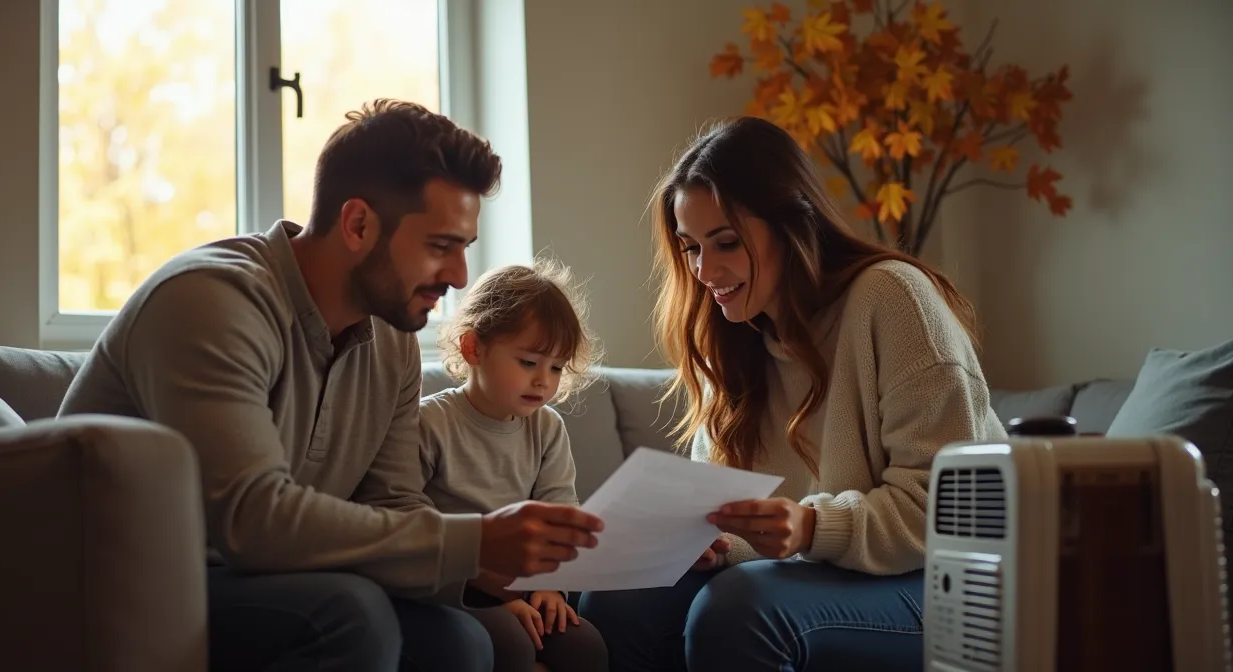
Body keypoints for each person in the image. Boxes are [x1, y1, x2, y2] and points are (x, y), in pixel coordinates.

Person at [57, 99, 605, 672]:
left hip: (272, 577)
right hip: (133, 579)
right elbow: (253, 518)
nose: (460, 277)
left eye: (464, 248)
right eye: (440, 246)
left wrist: (488, 576)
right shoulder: (211, 301)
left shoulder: (394, 341)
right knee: (350, 612)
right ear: (358, 225)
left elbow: (391, 502)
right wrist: (474, 545)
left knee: (461, 640)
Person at [578, 115, 1007, 671]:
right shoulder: (732, 337)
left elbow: (948, 508)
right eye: (690, 249)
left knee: (738, 607)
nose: (705, 270)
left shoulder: (893, 298)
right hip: (827, 572)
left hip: (951, 583)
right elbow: (746, 519)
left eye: (725, 242)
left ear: (790, 225)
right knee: (616, 600)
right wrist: (713, 544)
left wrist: (810, 527)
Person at [419, 260, 610, 672]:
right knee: (511, 644)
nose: (544, 380)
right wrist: (500, 598)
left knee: (584, 646)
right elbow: (410, 522)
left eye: (556, 367)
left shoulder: (547, 428)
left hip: (525, 585)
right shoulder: (429, 422)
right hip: (456, 585)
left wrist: (550, 588)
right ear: (473, 348)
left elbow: (561, 515)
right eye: (528, 362)